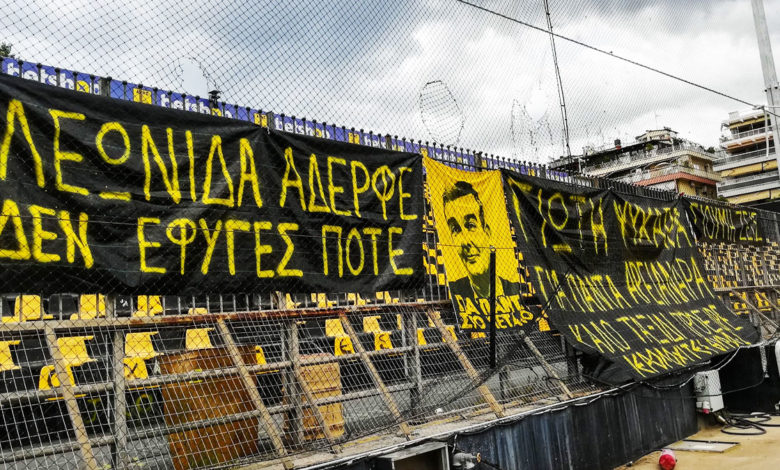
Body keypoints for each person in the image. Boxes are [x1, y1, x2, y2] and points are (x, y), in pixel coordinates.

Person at [442, 180, 515, 300]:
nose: (465, 242)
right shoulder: (456, 294)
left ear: (487, 232)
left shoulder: (514, 290)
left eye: (471, 226)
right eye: (455, 229)